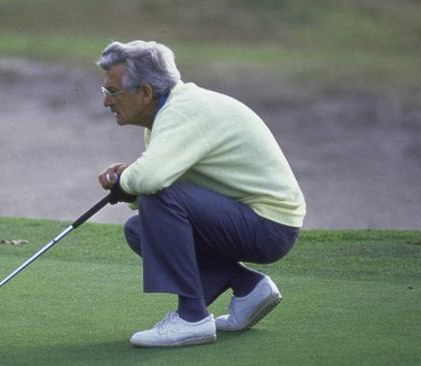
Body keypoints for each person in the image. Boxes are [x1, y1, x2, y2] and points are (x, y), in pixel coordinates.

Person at [96, 40, 306, 348]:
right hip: (251, 219)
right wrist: (126, 187)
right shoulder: (167, 114)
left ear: (145, 92)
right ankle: (248, 287)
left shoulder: (183, 112)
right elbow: (155, 190)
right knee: (139, 230)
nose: (105, 103)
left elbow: (154, 182)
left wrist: (126, 181)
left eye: (112, 92)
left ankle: (192, 319)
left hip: (270, 226)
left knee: (158, 191)